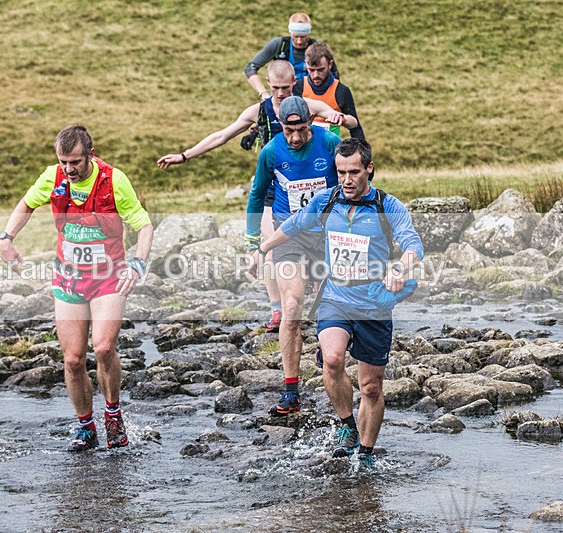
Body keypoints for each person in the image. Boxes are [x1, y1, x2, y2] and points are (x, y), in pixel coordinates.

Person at [254, 137, 424, 468]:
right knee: (331, 359)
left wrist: (402, 268)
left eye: (354, 172)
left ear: (369, 169)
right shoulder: (327, 201)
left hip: (374, 303)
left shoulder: (388, 207)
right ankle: (347, 425)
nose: (346, 180)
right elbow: (292, 226)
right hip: (336, 297)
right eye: (341, 172)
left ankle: (367, 455)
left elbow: (413, 243)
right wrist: (260, 250)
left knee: (371, 387)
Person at [158, 60, 357, 333]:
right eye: (275, 88)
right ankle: (278, 309)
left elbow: (343, 118)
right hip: (275, 186)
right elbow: (222, 135)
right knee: (272, 243)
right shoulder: (259, 111)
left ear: (294, 85)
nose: (280, 94)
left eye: (286, 88)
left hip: (309, 182)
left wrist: (341, 119)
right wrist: (184, 156)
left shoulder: (306, 107)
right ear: (267, 84)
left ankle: (315, 289)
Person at [0, 125, 154, 452]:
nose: (69, 169)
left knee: (102, 348)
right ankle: (86, 426)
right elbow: (26, 205)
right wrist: (6, 239)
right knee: (72, 359)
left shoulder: (113, 180)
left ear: (90, 156)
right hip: (68, 276)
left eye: (76, 162)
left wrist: (138, 263)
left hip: (108, 276)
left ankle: (112, 413)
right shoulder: (52, 177)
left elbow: (143, 225)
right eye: (64, 162)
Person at [245, 96, 342, 416]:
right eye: (289, 131)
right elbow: (257, 196)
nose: (296, 138)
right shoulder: (271, 151)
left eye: (301, 130)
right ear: (281, 126)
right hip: (289, 235)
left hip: (328, 233)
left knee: (341, 299)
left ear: (310, 123)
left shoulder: (329, 142)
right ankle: (291, 391)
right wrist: (252, 243)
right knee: (291, 305)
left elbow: (353, 175)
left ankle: (328, 342)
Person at [244, 12, 340, 99]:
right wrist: (263, 93)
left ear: (308, 34)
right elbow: (250, 68)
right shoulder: (279, 45)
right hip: (282, 98)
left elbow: (334, 76)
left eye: (303, 37)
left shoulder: (318, 48)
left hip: (310, 97)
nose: (299, 41)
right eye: (295, 36)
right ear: (290, 33)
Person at [293, 42, 365, 140]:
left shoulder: (341, 91)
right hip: (304, 149)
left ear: (330, 65)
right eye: (311, 70)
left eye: (321, 70)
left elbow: (356, 128)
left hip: (330, 150)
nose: (315, 75)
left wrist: (363, 153)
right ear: (306, 64)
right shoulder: (298, 87)